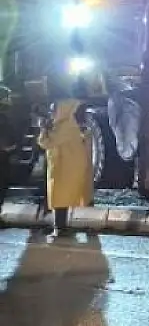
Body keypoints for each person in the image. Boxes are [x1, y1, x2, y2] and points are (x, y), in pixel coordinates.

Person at [42, 100, 95, 240]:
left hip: (64, 169)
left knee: (59, 198)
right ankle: (61, 227)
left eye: (53, 110)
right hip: (65, 167)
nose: (51, 113)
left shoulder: (65, 127)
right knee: (61, 199)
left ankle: (59, 229)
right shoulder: (67, 125)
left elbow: (47, 143)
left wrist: (43, 129)